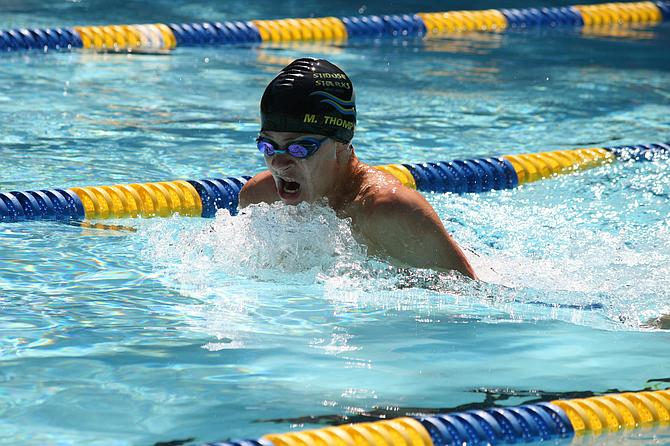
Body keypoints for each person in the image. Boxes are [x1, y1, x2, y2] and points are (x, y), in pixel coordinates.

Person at [239, 57, 478, 280]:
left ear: (340, 144)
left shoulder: (392, 212)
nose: (279, 163)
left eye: (300, 148)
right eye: (268, 146)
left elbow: (469, 298)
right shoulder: (260, 198)